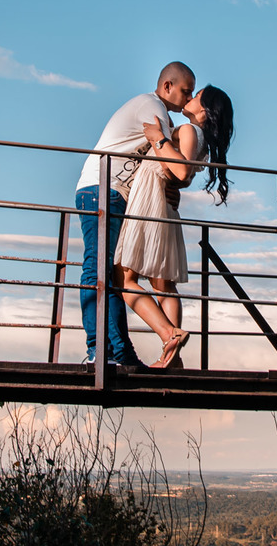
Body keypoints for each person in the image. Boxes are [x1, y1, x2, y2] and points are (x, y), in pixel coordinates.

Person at [74, 62, 195, 366]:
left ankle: (119, 352)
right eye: (185, 90)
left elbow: (164, 166)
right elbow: (170, 161)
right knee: (98, 269)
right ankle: (98, 350)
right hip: (101, 189)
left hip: (116, 193)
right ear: (167, 86)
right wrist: (176, 182)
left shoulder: (160, 113)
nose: (188, 96)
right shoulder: (152, 107)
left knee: (113, 273)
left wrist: (174, 187)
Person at [114, 86, 234, 368]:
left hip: (151, 200)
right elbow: (182, 177)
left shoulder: (190, 131)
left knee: (124, 279)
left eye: (195, 96)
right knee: (163, 284)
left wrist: (158, 139)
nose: (188, 98)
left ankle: (169, 334)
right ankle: (173, 357)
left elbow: (181, 171)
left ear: (203, 110)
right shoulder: (196, 135)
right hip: (160, 199)